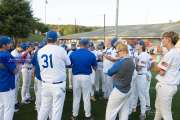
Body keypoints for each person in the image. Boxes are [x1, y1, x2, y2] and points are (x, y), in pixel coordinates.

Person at [37, 31, 71, 120]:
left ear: (46, 38)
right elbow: (68, 63)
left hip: (45, 83)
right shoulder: (60, 49)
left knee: (44, 108)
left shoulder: (40, 50)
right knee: (56, 110)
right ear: (56, 39)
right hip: (58, 84)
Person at [154, 31, 180, 120]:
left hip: (166, 86)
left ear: (168, 39)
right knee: (158, 109)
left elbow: (158, 70)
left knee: (166, 114)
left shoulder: (171, 54)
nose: (162, 40)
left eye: (163, 38)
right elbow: (162, 70)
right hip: (168, 85)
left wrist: (157, 56)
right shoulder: (173, 53)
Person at [105, 43, 135, 120]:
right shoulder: (131, 60)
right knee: (124, 112)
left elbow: (109, 72)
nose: (117, 54)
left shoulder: (121, 62)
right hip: (128, 89)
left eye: (118, 52)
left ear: (122, 51)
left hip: (118, 90)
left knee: (110, 113)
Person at [70, 38, 97, 120]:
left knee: (76, 97)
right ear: (87, 44)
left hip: (76, 76)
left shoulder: (73, 54)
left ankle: (74, 115)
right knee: (86, 97)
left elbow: (69, 64)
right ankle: (87, 115)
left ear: (80, 44)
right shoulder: (91, 54)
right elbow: (95, 67)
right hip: (86, 76)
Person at [0, 36, 17, 120]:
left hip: (1, 85)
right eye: (9, 43)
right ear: (3, 45)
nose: (10, 44)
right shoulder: (6, 55)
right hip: (7, 85)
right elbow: (14, 71)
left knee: (2, 107)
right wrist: (18, 66)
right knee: (9, 108)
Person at [11, 44, 23, 112]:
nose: (21, 49)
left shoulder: (19, 52)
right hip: (14, 73)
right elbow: (14, 63)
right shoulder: (13, 53)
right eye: (20, 47)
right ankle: (13, 104)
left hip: (18, 72)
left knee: (17, 88)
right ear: (17, 47)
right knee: (14, 88)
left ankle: (15, 101)